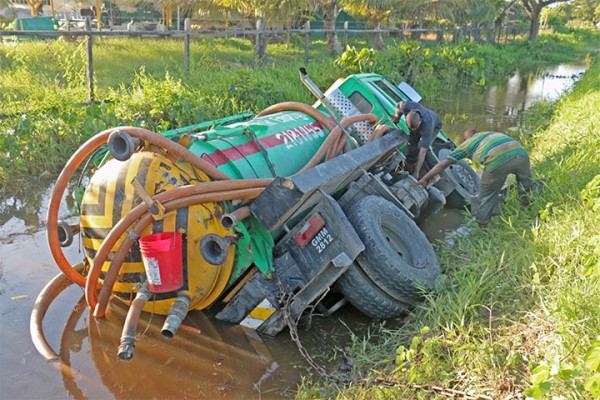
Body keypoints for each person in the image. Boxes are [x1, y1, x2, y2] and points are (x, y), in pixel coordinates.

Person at [417, 128, 535, 227]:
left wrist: (424, 179)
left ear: (465, 139)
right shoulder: (490, 133)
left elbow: (442, 164)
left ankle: (482, 226)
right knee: (525, 185)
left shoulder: (467, 144)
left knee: (486, 196)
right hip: (522, 154)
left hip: (497, 161)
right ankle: (528, 211)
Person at [391, 101, 443, 179]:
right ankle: (406, 165)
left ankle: (435, 172)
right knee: (411, 146)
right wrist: (397, 117)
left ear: (420, 121)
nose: (413, 129)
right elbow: (398, 107)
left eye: (415, 128)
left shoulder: (427, 127)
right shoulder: (406, 106)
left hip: (435, 125)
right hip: (421, 122)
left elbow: (423, 150)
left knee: (423, 147)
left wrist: (416, 172)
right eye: (411, 128)